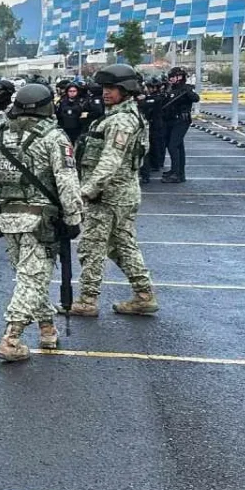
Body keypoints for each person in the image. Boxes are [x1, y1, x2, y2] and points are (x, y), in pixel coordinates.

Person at [0, 84, 83, 361]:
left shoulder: (0, 137)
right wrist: (73, 217)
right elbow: (67, 181)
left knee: (32, 276)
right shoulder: (54, 138)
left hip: (9, 220)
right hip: (41, 221)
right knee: (31, 280)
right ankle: (11, 339)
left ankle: (47, 329)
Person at [73, 64, 157, 317]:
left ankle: (88, 300)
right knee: (122, 246)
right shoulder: (125, 115)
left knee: (92, 247)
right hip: (123, 193)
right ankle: (144, 294)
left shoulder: (120, 120)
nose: (106, 93)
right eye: (105, 88)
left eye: (112, 89)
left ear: (126, 90)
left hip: (107, 196)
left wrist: (85, 192)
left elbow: (110, 161)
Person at [158, 67, 200, 184]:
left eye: (172, 76)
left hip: (182, 120)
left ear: (179, 77)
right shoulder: (171, 89)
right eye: (170, 77)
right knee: (178, 147)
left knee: (173, 146)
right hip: (171, 120)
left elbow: (196, 99)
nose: (170, 79)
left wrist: (187, 91)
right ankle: (178, 172)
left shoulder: (185, 89)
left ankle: (177, 174)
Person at [137, 78, 165, 184]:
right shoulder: (150, 97)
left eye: (150, 87)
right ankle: (150, 167)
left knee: (152, 146)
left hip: (155, 125)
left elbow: (147, 103)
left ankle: (153, 167)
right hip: (149, 124)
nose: (148, 89)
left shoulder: (157, 97)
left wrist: (144, 98)